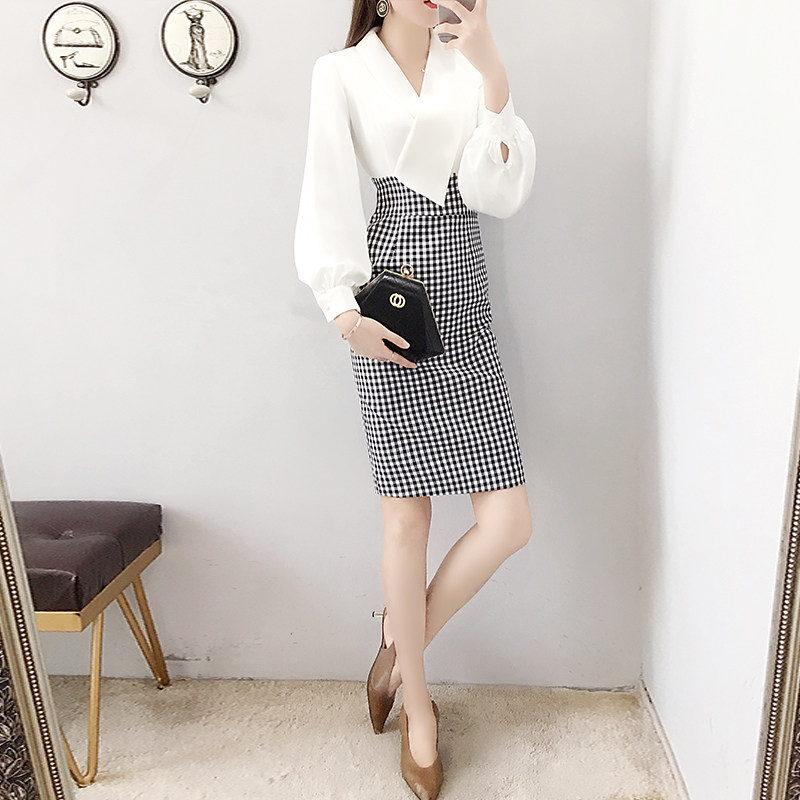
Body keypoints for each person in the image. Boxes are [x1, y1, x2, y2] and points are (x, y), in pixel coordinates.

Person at [294, 1, 536, 797]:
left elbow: (496, 191)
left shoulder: (466, 64)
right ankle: (420, 711)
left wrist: (492, 69)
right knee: (407, 521)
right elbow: (327, 187)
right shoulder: (341, 72)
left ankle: (398, 654)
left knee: (508, 522)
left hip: (464, 301)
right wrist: (342, 313)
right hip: (392, 308)